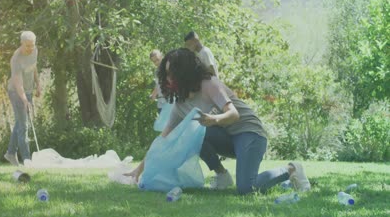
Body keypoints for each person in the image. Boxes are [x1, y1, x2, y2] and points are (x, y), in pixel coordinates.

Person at [125, 48, 311, 194]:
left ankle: (292, 169)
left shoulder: (208, 84)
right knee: (192, 134)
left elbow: (234, 114)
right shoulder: (180, 103)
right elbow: (163, 139)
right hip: (227, 138)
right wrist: (138, 170)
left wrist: (214, 119)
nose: (169, 79)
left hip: (249, 133)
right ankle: (222, 175)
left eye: (172, 73)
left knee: (247, 188)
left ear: (185, 72)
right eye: (166, 74)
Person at [4, 31, 41, 166]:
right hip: (16, 92)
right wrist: (24, 99)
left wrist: (38, 84)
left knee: (20, 123)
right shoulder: (16, 59)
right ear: (21, 43)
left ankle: (10, 153)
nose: (30, 48)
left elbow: (34, 67)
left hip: (29, 90)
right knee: (24, 126)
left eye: (32, 45)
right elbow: (17, 82)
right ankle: (27, 159)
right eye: (27, 46)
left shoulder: (34, 51)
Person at [149, 49, 166, 114]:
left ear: (161, 56)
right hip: (161, 105)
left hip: (171, 104)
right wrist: (153, 94)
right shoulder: (157, 72)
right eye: (154, 61)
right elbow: (158, 85)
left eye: (157, 60)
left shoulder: (169, 68)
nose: (156, 63)